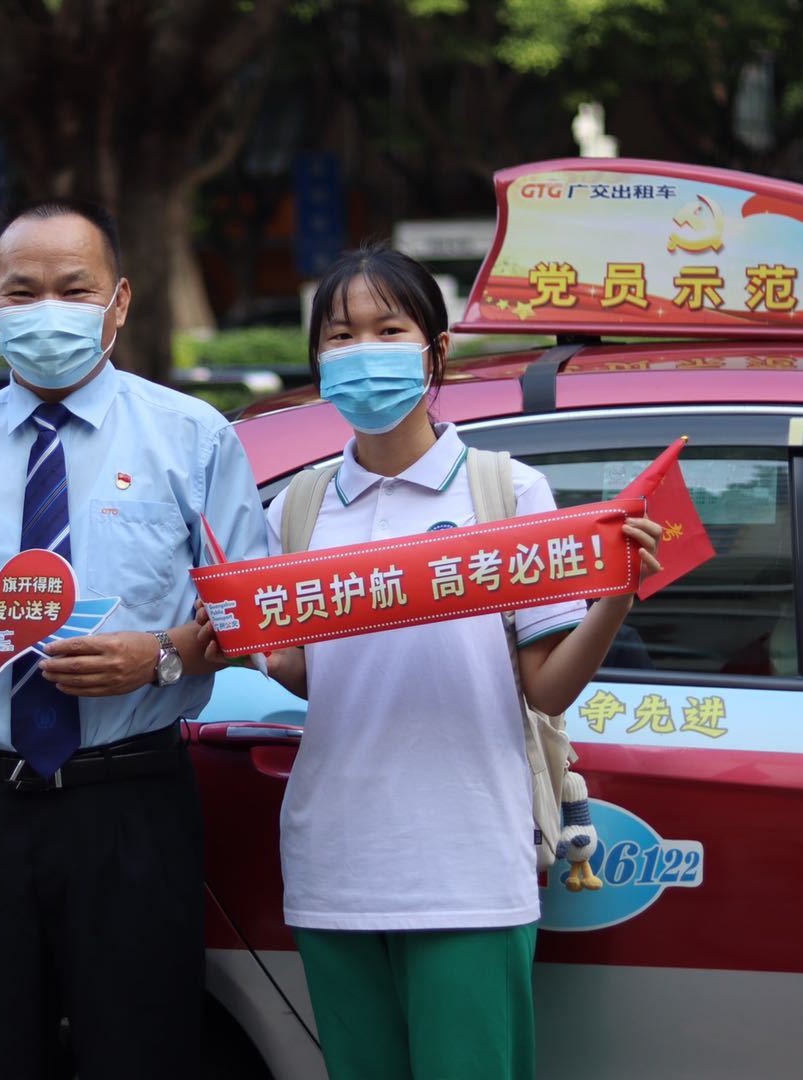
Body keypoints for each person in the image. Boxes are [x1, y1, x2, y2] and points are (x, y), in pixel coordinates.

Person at [197, 245, 662, 1080]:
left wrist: (616, 596)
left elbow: (547, 685)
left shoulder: (505, 492)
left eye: (388, 328)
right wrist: (243, 640)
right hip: (334, 861)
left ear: (436, 351)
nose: (362, 352)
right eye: (339, 336)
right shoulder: (296, 506)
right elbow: (301, 673)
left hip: (470, 864)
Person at [0, 197, 268, 1079]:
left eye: (74, 287)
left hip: (133, 802)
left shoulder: (192, 439)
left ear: (120, 302)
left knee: (143, 1055)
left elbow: (254, 615)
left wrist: (164, 655)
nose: (47, 308)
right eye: (23, 290)